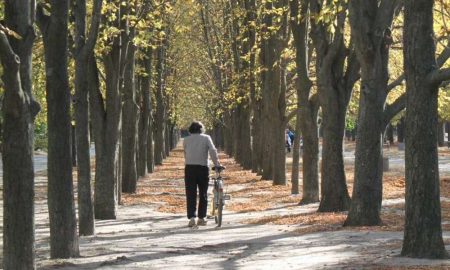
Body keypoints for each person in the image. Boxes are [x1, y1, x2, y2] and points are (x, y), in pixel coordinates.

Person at [183, 121, 221, 227]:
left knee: (190, 193)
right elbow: (213, 151)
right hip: (202, 167)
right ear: (201, 129)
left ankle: (191, 218)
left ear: (190, 130)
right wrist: (216, 164)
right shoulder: (206, 138)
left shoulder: (186, 140)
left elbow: (186, 154)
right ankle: (201, 218)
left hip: (189, 168)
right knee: (203, 193)